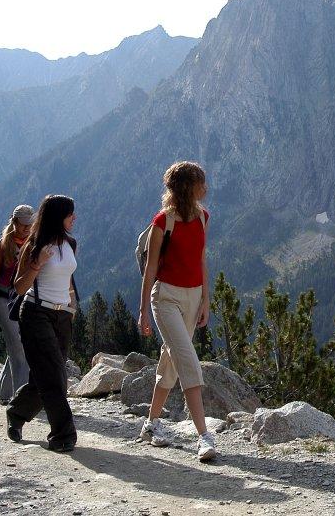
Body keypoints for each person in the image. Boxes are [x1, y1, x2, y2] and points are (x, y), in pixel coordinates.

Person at [138, 161, 216, 460]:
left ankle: (151, 423)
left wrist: (206, 301)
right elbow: (151, 269)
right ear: (187, 187)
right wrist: (144, 310)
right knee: (187, 360)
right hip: (166, 298)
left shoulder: (203, 218)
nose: (205, 189)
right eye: (200, 183)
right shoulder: (163, 222)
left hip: (193, 296)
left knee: (170, 359)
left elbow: (201, 260)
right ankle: (204, 436)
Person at [6, 194, 79, 452]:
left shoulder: (70, 243)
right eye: (71, 214)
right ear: (59, 216)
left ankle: (16, 413)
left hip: (62, 316)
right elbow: (19, 286)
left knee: (48, 376)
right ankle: (63, 435)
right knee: (53, 377)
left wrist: (71, 307)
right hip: (36, 313)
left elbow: (68, 280)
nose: (74, 218)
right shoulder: (34, 245)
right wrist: (37, 265)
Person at [0, 204, 34, 405]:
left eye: (30, 224)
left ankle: (3, 390)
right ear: (14, 223)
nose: (27, 228)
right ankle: (20, 399)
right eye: (23, 225)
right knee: (18, 346)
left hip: (22, 300)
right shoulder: (1, 245)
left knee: (16, 346)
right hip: (2, 299)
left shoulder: (33, 243)